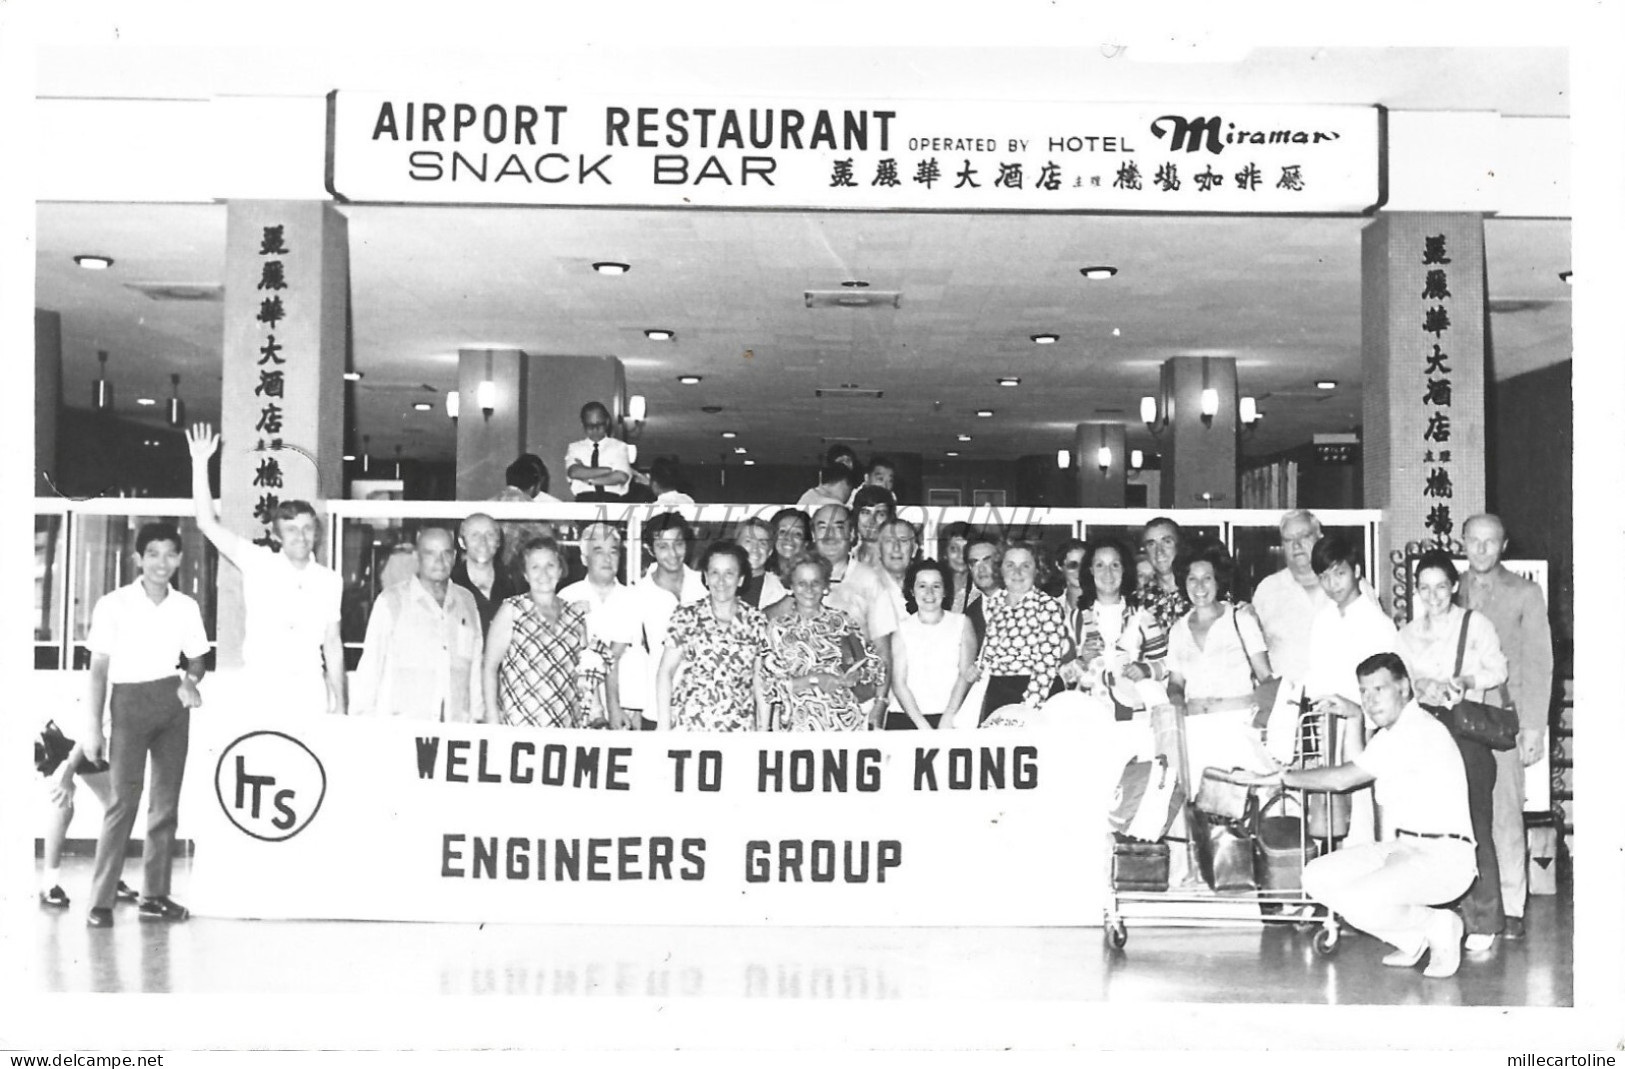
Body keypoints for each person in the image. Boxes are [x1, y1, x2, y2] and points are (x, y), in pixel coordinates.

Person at [1237, 654, 1477, 979]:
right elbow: (1362, 764)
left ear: (1404, 688)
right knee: (1316, 876)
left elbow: (1344, 779)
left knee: (1356, 901)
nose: (1370, 700)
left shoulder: (1417, 730)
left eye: (1379, 689)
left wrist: (1283, 777)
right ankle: (1412, 938)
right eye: (1364, 692)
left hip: (1445, 859)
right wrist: (1353, 717)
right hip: (1406, 849)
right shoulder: (1392, 733)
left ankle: (1439, 925)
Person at [81, 522, 210, 928]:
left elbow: (198, 659)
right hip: (129, 704)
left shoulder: (186, 606)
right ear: (138, 558)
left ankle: (154, 896)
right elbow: (98, 672)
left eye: (170, 554)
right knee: (122, 803)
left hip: (171, 704)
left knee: (165, 806)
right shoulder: (113, 604)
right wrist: (93, 729)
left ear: (179, 559)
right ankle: (101, 901)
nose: (162, 563)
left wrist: (190, 682)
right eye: (152, 553)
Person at [187, 423, 345, 715]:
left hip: (309, 691)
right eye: (292, 529)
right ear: (277, 536)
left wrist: (341, 705)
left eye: (308, 528)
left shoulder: (330, 580)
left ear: (317, 533)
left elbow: (333, 645)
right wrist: (199, 463)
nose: (301, 536)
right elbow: (207, 523)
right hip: (261, 689)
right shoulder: (258, 562)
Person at [1399, 549, 1509, 952]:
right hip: (1424, 735)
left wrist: (1464, 679)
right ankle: (1437, 918)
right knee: (1426, 829)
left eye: (1441, 587)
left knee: (1475, 823)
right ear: (1416, 591)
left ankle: (1485, 919)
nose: (1433, 596)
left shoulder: (1474, 624)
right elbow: (1401, 682)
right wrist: (1419, 687)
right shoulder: (1406, 634)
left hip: (1465, 735)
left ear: (1454, 587)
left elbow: (1499, 669)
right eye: (1425, 588)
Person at [1459, 513, 1554, 941]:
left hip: (1502, 719)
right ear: (1462, 542)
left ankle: (1512, 907)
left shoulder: (1525, 593)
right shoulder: (1448, 589)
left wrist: (1533, 727)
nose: (1481, 549)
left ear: (1504, 546)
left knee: (1504, 815)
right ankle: (1470, 906)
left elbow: (1539, 662)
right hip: (1456, 718)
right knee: (1461, 815)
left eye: (1490, 542)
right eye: (1474, 541)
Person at [1304, 533, 1398, 844]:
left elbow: (1386, 688)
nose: (1333, 584)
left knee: (1361, 816)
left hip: (1364, 727)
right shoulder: (1322, 621)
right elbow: (1315, 677)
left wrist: (1368, 729)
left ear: (1357, 571)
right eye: (1325, 577)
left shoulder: (1378, 623)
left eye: (1340, 573)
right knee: (1327, 816)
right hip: (1326, 726)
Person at [1164, 539, 1277, 790]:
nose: (1200, 586)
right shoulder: (1178, 630)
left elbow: (1265, 677)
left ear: (1218, 581)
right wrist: (1177, 701)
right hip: (1196, 731)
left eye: (1207, 578)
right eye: (1192, 579)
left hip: (1238, 729)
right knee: (1200, 808)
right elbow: (1175, 683)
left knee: (1239, 808)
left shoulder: (1240, 619)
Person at [351, 526, 483, 722]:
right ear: (416, 556)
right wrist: (361, 718)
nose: (440, 561)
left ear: (455, 556)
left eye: (446, 553)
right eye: (430, 553)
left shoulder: (467, 601)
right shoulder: (391, 601)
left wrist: (478, 718)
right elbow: (371, 665)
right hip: (404, 729)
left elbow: (475, 668)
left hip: (455, 730)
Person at [761, 553, 881, 732]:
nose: (809, 589)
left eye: (815, 582)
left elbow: (874, 667)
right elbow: (767, 686)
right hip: (798, 728)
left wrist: (858, 675)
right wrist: (813, 680)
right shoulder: (776, 629)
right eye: (802, 583)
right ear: (791, 587)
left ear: (825, 586)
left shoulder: (842, 622)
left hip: (845, 725)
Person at [608, 512, 706, 729]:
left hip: (704, 706)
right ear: (650, 550)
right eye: (663, 546)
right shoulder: (638, 595)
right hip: (657, 709)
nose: (672, 553)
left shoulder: (704, 585)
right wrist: (614, 708)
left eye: (678, 544)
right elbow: (613, 656)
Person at [656, 542, 768, 731]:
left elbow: (761, 679)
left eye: (729, 573)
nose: (721, 581)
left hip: (739, 729)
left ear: (740, 579)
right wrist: (663, 727)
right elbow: (665, 672)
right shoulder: (686, 615)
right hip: (690, 727)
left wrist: (764, 729)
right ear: (706, 578)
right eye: (714, 573)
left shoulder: (756, 620)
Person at [482, 538, 589, 728]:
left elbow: (582, 675)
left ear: (560, 570)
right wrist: (492, 717)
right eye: (535, 567)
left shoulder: (575, 617)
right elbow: (490, 666)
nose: (544, 574)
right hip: (519, 726)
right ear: (525, 574)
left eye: (550, 565)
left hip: (566, 727)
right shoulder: (512, 610)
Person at [36, 726, 139, 910]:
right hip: (56, 733)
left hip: (85, 739)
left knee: (116, 806)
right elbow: (86, 734)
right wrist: (66, 776)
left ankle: (110, 880)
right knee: (63, 804)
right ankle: (49, 885)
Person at [1065, 536, 1166, 713]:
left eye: (1115, 565)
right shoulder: (1074, 620)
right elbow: (1059, 675)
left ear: (1124, 570)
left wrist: (1146, 669)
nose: (1108, 573)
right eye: (1100, 565)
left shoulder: (1143, 618)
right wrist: (1081, 661)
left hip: (1135, 719)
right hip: (1088, 719)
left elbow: (1167, 666)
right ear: (1090, 570)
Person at [977, 540, 1073, 723]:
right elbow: (990, 654)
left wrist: (1026, 711)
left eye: (1025, 565)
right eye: (1010, 565)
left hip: (1036, 693)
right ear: (1000, 569)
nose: (1017, 572)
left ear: (1037, 570)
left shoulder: (1047, 606)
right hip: (997, 692)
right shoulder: (994, 604)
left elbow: (1047, 666)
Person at [557, 522, 637, 728]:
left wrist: (615, 709)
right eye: (598, 551)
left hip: (627, 706)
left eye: (613, 551)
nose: (607, 558)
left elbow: (619, 655)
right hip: (577, 706)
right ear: (584, 558)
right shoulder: (566, 598)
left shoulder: (634, 599)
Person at [889, 559, 976, 730]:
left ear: (945, 591)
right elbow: (899, 683)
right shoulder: (901, 628)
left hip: (951, 719)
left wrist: (947, 719)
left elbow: (965, 675)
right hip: (907, 718)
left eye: (936, 586)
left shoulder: (962, 623)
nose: (929, 592)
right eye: (922, 585)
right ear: (912, 591)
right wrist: (923, 726)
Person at [1252, 509, 1329, 686]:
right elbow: (1252, 649)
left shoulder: (1349, 585)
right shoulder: (1267, 590)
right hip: (1286, 702)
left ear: (1319, 537)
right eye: (1288, 539)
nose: (1296, 545)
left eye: (1304, 536)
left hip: (1342, 701)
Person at [490, 454, 558, 587]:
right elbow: (550, 542)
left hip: (488, 569)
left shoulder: (493, 500)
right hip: (507, 576)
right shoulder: (528, 506)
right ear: (534, 486)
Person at [450, 512, 517, 636]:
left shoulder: (517, 584)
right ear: (462, 542)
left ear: (498, 541)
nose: (483, 541)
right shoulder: (450, 585)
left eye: (490, 535)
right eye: (475, 535)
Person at [565, 401, 633, 502]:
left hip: (612, 501)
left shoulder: (619, 446)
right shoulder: (575, 448)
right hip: (584, 502)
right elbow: (574, 472)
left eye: (599, 425)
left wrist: (588, 479)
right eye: (590, 426)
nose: (595, 429)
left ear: (607, 422)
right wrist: (608, 470)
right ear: (583, 424)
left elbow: (621, 476)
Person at [1139, 517, 1190, 639]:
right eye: (1151, 544)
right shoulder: (1138, 602)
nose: (1159, 551)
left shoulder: (1200, 594)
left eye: (1166, 542)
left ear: (1179, 546)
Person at [962, 532, 1004, 648]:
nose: (981, 569)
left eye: (987, 560)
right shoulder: (969, 614)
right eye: (974, 562)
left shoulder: (1024, 602)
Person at [735, 516, 786, 609]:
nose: (755, 549)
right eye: (748, 541)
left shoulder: (781, 589)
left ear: (769, 552)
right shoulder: (718, 581)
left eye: (762, 543)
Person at [849, 484, 896, 567]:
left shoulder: (896, 560)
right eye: (865, 513)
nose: (872, 521)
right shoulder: (847, 558)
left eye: (880, 514)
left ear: (889, 518)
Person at [766, 507, 811, 591]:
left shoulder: (814, 577)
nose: (788, 537)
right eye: (782, 531)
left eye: (797, 534)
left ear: (806, 543)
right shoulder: (761, 577)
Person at [938, 521, 972, 614]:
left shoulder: (978, 589)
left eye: (966, 549)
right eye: (954, 549)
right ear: (945, 553)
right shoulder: (936, 586)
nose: (961, 555)